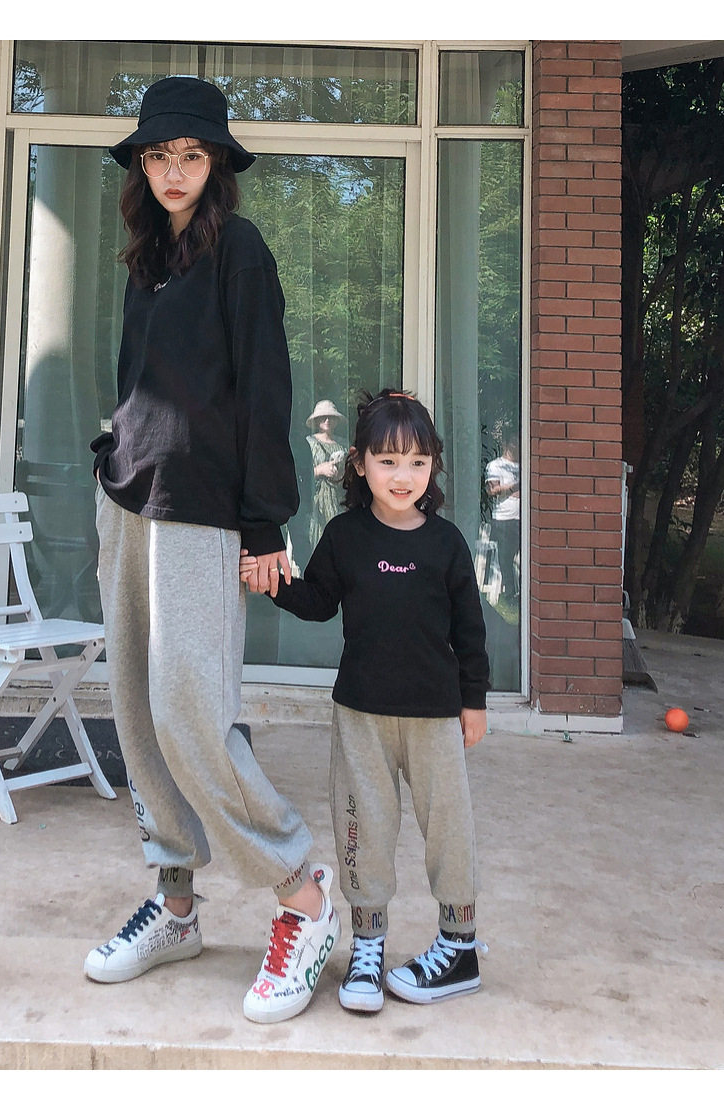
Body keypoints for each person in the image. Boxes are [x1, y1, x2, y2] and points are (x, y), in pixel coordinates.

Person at [85, 76, 339, 1025]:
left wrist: (266, 521)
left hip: (201, 510)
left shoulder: (241, 249)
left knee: (191, 712)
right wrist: (112, 449)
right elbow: (135, 375)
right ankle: (177, 902)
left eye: (190, 155)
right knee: (137, 713)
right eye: (159, 156)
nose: (173, 171)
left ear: (217, 164)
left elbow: (266, 385)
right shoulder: (148, 255)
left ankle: (300, 892)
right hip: (129, 501)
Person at [241, 388, 490, 1012]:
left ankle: (459, 947)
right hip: (361, 715)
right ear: (359, 464)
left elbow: (470, 631)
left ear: (433, 466)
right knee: (363, 829)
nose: (403, 476)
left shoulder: (447, 544)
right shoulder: (345, 535)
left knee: (448, 829)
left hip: (435, 717)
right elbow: (318, 602)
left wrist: (474, 701)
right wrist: (274, 583)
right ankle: (368, 948)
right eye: (388, 461)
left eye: (417, 462)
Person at [305, 399, 347, 547]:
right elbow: (299, 474)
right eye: (323, 417)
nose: (327, 420)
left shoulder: (343, 444)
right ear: (317, 421)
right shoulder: (309, 443)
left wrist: (340, 474)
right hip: (316, 503)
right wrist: (319, 470)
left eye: (331, 417)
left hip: (338, 500)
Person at [484, 429, 520, 598]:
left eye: (517, 442)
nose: (516, 446)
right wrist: (515, 486)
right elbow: (492, 490)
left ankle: (522, 592)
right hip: (504, 518)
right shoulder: (495, 465)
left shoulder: (525, 464)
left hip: (522, 518)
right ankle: (510, 594)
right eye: (512, 442)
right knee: (506, 558)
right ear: (505, 444)